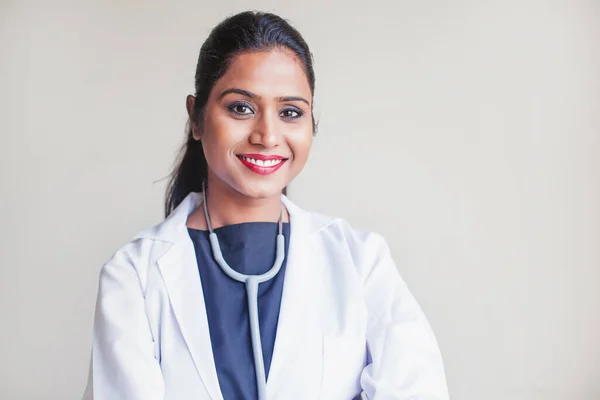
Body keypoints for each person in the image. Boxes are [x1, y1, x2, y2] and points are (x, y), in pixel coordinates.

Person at [82, 10, 449, 400]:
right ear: (197, 117)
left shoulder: (361, 262)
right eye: (241, 107)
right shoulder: (133, 276)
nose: (267, 135)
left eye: (290, 112)